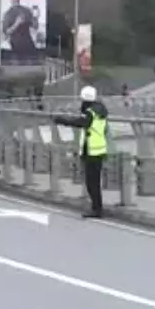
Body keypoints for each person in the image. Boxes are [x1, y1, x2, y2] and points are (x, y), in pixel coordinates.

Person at [54, 85, 109, 218]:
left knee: (91, 182)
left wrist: (63, 120)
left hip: (91, 149)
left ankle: (97, 209)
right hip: (99, 148)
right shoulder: (100, 110)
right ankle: (97, 207)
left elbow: (81, 122)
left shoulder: (90, 112)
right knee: (94, 181)